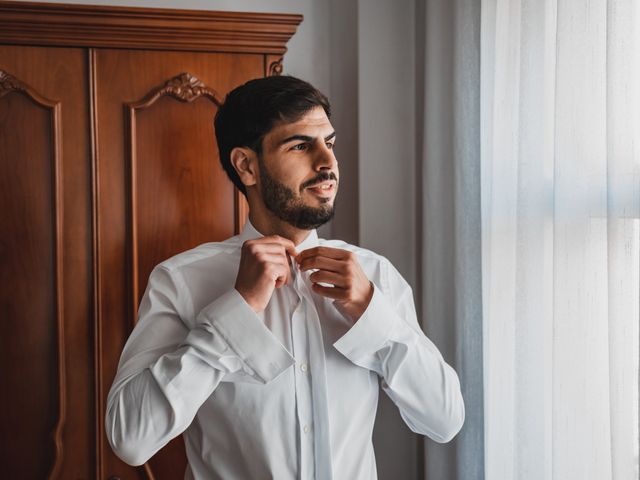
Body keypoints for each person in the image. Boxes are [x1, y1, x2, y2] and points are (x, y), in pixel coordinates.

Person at [105, 75, 464, 480]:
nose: (327, 162)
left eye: (329, 142)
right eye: (300, 145)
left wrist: (370, 312)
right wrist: (235, 311)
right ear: (247, 166)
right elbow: (130, 439)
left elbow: (444, 420)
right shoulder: (181, 280)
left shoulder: (375, 275)